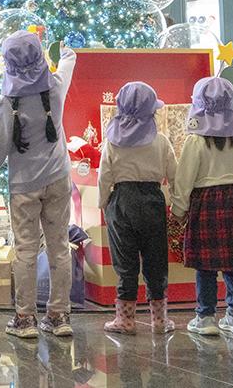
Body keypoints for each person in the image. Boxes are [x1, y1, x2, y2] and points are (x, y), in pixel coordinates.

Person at [0, 31, 78, 339]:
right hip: (58, 178)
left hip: (24, 188)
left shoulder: (8, 102)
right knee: (59, 247)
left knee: (26, 250)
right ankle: (59, 315)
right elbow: (69, 60)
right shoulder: (55, 88)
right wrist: (63, 48)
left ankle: (25, 318)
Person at [170, 77, 233, 336]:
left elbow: (184, 179)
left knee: (205, 266)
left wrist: (178, 209)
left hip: (205, 203)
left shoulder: (196, 141)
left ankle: (206, 316)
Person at [98, 82, 177, 335]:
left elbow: (104, 177)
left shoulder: (113, 142)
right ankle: (159, 320)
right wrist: (177, 203)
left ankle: (125, 320)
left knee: (125, 262)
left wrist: (104, 204)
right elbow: (174, 175)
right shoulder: (162, 141)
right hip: (152, 200)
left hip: (121, 201)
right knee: (156, 261)